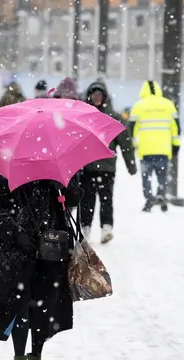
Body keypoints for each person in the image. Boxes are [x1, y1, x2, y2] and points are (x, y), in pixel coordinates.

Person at [0, 172, 81, 360]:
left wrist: (62, 185)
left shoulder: (55, 161)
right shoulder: (5, 162)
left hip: (50, 243)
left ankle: (36, 353)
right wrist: (13, 231)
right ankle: (19, 354)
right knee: (19, 301)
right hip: (14, 248)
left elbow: (75, 197)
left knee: (44, 300)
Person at [80, 80, 137, 243]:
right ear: (90, 97)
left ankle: (106, 227)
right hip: (88, 167)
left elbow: (126, 144)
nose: (97, 98)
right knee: (87, 200)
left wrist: (131, 166)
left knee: (106, 199)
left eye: (100, 95)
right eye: (94, 95)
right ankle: (86, 229)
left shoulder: (113, 117)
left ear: (104, 97)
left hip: (106, 167)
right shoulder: (84, 116)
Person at [130, 80, 180, 213]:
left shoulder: (139, 106)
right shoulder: (168, 105)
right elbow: (176, 127)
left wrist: (133, 145)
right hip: (163, 149)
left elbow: (131, 129)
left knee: (146, 177)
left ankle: (149, 198)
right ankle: (161, 194)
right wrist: (176, 145)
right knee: (162, 176)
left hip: (146, 150)